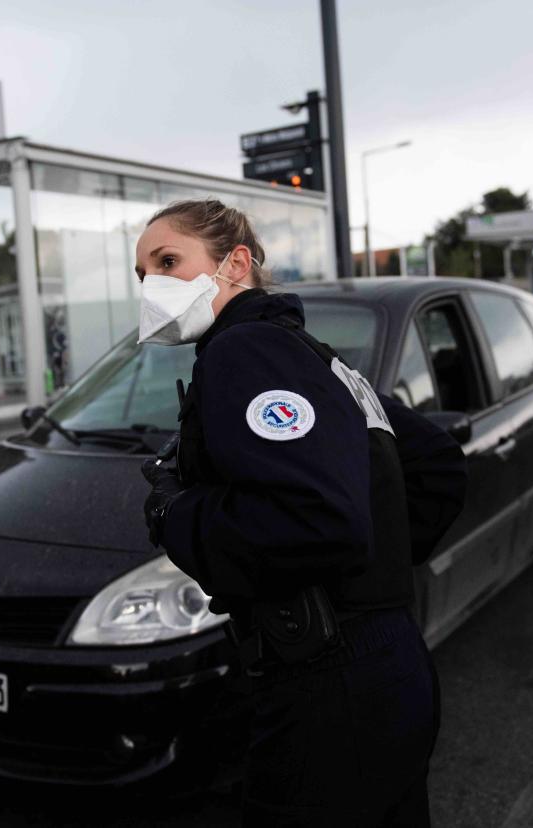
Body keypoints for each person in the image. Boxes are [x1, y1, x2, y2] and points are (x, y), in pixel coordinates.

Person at [135, 199, 467, 826]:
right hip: (385, 668)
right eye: (142, 271)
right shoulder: (313, 355)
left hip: (326, 683)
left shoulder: (246, 351)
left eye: (169, 261)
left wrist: (175, 514)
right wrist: (373, 581)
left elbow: (313, 519)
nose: (152, 284)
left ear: (235, 264)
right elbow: (435, 464)